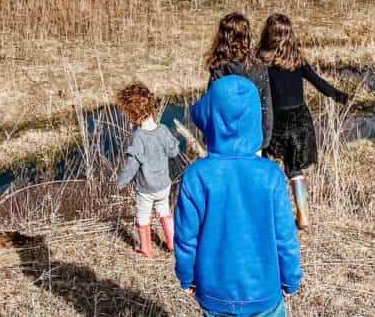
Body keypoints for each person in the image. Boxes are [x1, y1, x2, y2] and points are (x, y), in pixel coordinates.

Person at [175, 74, 301, 316]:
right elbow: (285, 236)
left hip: (215, 294)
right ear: (255, 120)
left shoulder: (196, 175)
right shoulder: (270, 174)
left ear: (210, 118)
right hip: (265, 293)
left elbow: (186, 238)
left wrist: (187, 276)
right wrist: (290, 278)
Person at [256, 12, 348, 230]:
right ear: (289, 35)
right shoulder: (297, 59)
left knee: (266, 164)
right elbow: (318, 82)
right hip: (299, 119)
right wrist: (339, 95)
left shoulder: (261, 60)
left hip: (275, 119)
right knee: (294, 170)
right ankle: (303, 216)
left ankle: (268, 213)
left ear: (268, 33)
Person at [115, 82, 182, 256]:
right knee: (164, 212)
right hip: (164, 185)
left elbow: (132, 166)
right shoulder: (163, 130)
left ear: (133, 115)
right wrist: (173, 141)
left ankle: (145, 248)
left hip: (146, 189)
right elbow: (174, 151)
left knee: (143, 217)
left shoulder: (139, 138)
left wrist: (120, 182)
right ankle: (172, 242)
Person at [205, 12, 273, 152]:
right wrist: (265, 139)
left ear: (223, 37)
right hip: (252, 139)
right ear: (246, 37)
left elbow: (211, 109)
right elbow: (265, 106)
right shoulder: (258, 68)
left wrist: (209, 137)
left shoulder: (219, 69)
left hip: (225, 140)